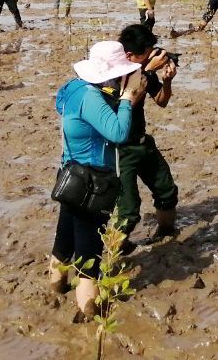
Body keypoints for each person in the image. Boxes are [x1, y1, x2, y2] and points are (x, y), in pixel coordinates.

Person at [49, 40, 145, 318]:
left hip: (70, 174)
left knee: (64, 242)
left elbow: (67, 112)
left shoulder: (72, 88)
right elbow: (118, 133)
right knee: (89, 256)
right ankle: (88, 319)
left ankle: (56, 291)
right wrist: (126, 99)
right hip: (93, 183)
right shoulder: (92, 97)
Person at [113, 25, 180, 248]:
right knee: (128, 212)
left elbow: (161, 101)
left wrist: (167, 81)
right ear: (129, 54)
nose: (152, 57)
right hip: (120, 150)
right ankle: (115, 253)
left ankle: (166, 233)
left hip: (142, 142)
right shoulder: (114, 76)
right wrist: (147, 71)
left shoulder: (141, 68)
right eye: (147, 53)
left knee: (167, 191)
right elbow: (126, 104)